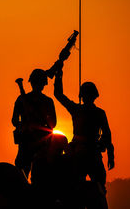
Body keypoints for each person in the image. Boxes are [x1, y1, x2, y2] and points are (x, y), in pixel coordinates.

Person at [53, 67, 115, 198]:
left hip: (88, 153)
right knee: (86, 187)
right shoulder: (90, 111)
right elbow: (107, 136)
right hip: (85, 153)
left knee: (94, 187)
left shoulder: (82, 110)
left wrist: (110, 153)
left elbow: (107, 135)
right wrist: (58, 76)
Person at [11, 69, 57, 180]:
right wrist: (24, 125)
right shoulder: (23, 99)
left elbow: (53, 124)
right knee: (22, 173)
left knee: (40, 175)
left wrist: (38, 122)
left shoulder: (47, 101)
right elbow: (14, 120)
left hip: (41, 142)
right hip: (26, 140)